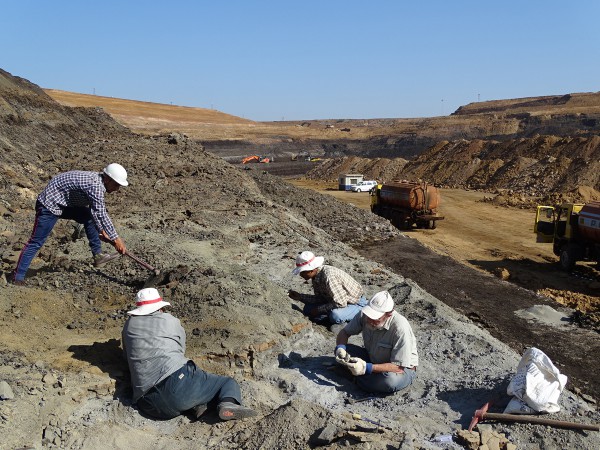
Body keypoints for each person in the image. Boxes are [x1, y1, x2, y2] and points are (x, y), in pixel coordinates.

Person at [122, 288, 257, 421]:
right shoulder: (169, 320)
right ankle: (228, 404)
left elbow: (127, 357)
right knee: (226, 383)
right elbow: (180, 350)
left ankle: (198, 407)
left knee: (189, 392)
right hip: (176, 387)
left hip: (148, 404)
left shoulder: (128, 326)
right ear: (160, 307)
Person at [11, 163, 129, 285]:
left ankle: (98, 256)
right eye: (116, 185)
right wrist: (116, 239)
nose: (117, 189)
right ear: (107, 179)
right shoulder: (96, 185)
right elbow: (101, 213)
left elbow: (95, 212)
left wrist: (101, 230)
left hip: (65, 203)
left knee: (88, 216)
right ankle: (18, 277)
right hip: (48, 205)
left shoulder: (99, 182)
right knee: (36, 242)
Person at [334, 290, 418, 394]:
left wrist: (365, 367)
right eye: (369, 316)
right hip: (372, 358)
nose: (369, 320)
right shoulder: (364, 315)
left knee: (390, 381)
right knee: (344, 352)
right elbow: (344, 332)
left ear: (389, 314)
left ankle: (358, 378)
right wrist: (341, 348)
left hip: (399, 369)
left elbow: (398, 367)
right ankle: (364, 377)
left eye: (375, 319)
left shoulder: (400, 328)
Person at [288, 250, 367, 324]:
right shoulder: (316, 277)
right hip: (334, 301)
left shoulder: (329, 277)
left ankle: (361, 313)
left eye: (303, 272)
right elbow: (321, 298)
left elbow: (340, 303)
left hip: (355, 303)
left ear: (312, 270)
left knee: (335, 316)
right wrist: (300, 297)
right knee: (307, 309)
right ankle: (331, 318)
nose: (301, 275)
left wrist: (319, 310)